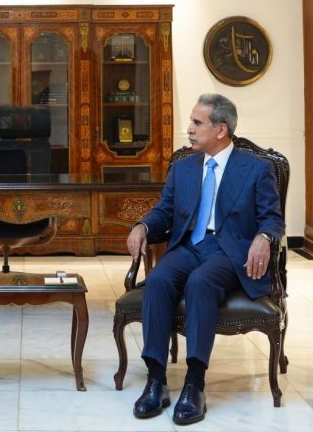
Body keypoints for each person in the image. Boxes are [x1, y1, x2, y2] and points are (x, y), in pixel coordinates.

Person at [126, 93, 284, 425]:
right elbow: (164, 211)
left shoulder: (257, 168)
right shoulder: (183, 168)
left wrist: (264, 238)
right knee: (158, 279)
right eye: (191, 122)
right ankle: (156, 380)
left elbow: (272, 218)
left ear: (221, 129)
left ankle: (195, 384)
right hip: (189, 246)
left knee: (200, 282)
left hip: (229, 251)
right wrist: (143, 226)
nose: (189, 129)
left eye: (197, 123)